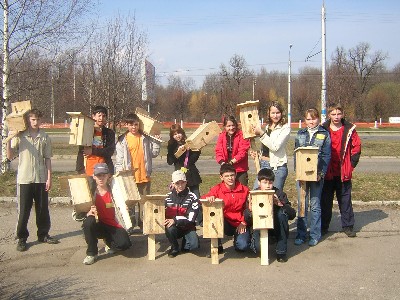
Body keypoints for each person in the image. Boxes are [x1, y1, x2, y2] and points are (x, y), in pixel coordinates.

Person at [6, 108, 59, 252]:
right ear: (28, 120)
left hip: (41, 178)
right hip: (25, 179)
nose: (35, 122)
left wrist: (49, 178)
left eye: (38, 119)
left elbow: (47, 158)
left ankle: (43, 234)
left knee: (42, 209)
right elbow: (10, 156)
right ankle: (22, 238)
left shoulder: (44, 136)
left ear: (41, 120)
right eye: (33, 119)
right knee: (24, 211)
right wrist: (8, 140)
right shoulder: (21, 136)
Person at [321, 103, 361, 237]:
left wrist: (351, 165)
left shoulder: (349, 129)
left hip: (343, 172)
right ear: (329, 115)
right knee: (325, 201)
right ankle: (323, 226)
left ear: (343, 114)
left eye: (339, 114)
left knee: (345, 200)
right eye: (333, 114)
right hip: (327, 172)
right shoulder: (323, 128)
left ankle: (348, 226)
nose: (336, 117)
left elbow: (356, 148)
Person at [80, 163, 132, 265]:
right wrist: (87, 213)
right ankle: (92, 253)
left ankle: (109, 242)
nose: (101, 178)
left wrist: (126, 209)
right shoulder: (89, 192)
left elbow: (124, 208)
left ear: (108, 176)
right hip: (97, 225)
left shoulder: (115, 191)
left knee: (125, 244)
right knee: (88, 222)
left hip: (113, 224)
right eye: (98, 175)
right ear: (94, 176)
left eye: (103, 175)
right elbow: (77, 214)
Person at [115, 113, 161, 226]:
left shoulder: (145, 138)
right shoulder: (122, 140)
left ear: (139, 125)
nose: (134, 127)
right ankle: (129, 225)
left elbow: (154, 153)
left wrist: (156, 141)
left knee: (144, 203)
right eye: (131, 125)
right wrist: (120, 176)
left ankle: (143, 225)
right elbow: (119, 160)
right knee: (129, 204)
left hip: (144, 177)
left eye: (136, 125)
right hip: (129, 178)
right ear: (126, 125)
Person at [294, 108, 331, 247]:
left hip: (316, 176)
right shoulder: (300, 133)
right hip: (302, 176)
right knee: (302, 205)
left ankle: (315, 235)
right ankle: (301, 234)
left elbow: (326, 156)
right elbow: (296, 154)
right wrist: (298, 173)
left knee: (315, 205)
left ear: (318, 119)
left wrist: (320, 174)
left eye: (314, 118)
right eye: (308, 119)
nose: (311, 121)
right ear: (305, 120)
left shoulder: (324, 134)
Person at [248, 168, 296, 262]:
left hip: (275, 226)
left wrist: (280, 204)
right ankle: (265, 241)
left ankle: (281, 252)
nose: (267, 186)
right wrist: (250, 209)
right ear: (259, 182)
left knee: (282, 214)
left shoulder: (279, 193)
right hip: (260, 226)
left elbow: (292, 214)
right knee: (258, 249)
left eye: (270, 183)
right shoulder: (253, 195)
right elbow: (246, 218)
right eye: (264, 182)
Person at [203, 164, 250, 253]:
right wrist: (208, 198)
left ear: (235, 175)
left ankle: (238, 240)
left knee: (242, 246)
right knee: (212, 215)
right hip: (224, 222)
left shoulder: (245, 189)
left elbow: (249, 209)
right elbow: (203, 198)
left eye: (232, 175)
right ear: (221, 177)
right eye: (226, 176)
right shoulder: (217, 189)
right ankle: (217, 243)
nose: (230, 178)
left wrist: (244, 222)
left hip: (240, 222)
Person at [251, 101, 291, 191]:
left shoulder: (285, 128)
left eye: (278, 113)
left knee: (274, 197)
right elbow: (266, 147)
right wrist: (258, 155)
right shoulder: (267, 127)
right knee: (256, 193)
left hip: (277, 167)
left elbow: (275, 147)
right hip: (264, 165)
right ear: (269, 113)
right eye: (273, 113)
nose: (275, 116)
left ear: (282, 113)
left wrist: (261, 133)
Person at [164, 170, 200, 258]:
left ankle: (186, 241)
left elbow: (191, 218)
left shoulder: (193, 197)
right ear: (172, 184)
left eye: (183, 183)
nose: (180, 186)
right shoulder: (167, 197)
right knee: (169, 228)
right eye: (177, 183)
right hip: (174, 227)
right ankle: (175, 247)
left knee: (194, 246)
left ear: (186, 182)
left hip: (188, 226)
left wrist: (175, 220)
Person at [76, 105, 115, 178]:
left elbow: (110, 151)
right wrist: (80, 171)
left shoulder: (109, 133)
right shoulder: (86, 132)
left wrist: (92, 151)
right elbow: (81, 152)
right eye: (99, 116)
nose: (101, 118)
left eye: (104, 116)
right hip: (89, 171)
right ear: (93, 116)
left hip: (105, 171)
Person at [215, 116, 251, 186]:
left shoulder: (242, 135)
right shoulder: (222, 136)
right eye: (228, 126)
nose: (231, 128)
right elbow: (218, 151)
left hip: (240, 169)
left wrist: (232, 162)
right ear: (225, 127)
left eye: (233, 125)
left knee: (242, 190)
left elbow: (243, 152)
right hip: (227, 169)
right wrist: (222, 162)